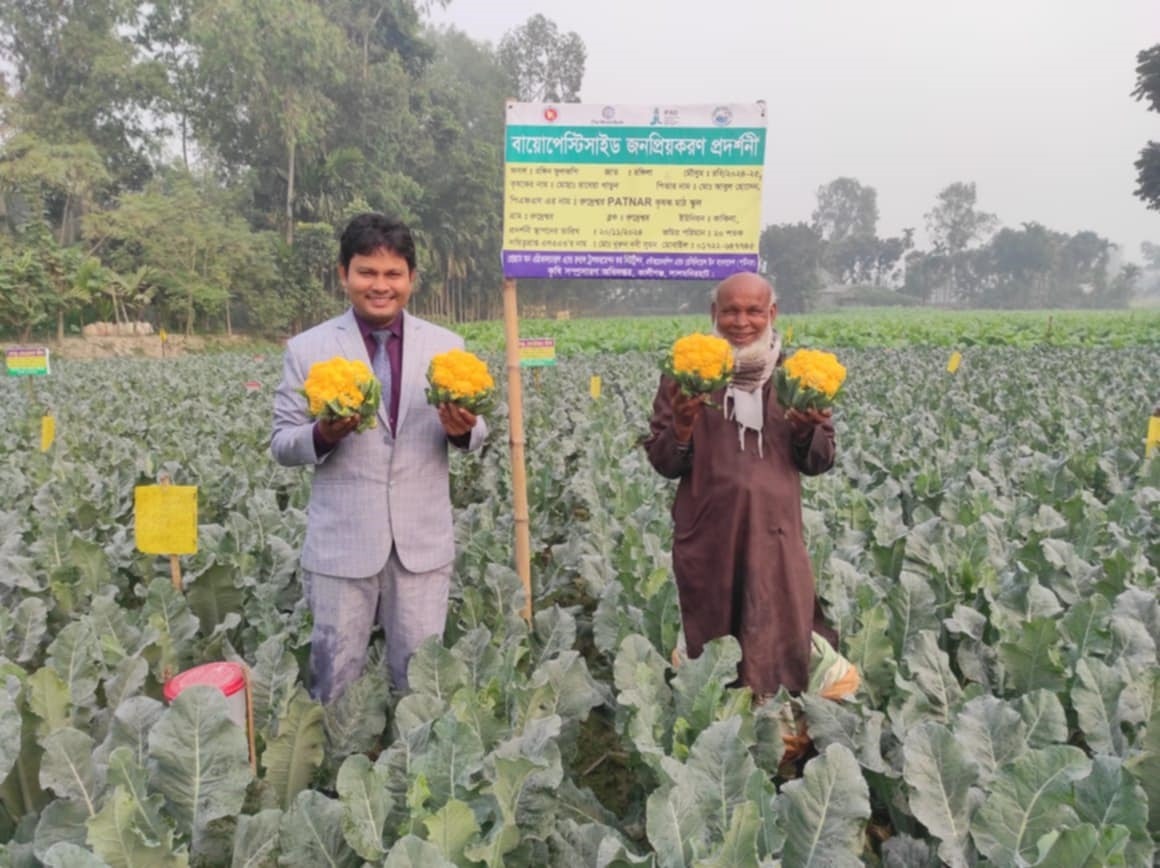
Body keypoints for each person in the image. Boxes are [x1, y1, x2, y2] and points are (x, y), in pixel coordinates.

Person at [271, 213, 487, 703]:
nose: (380, 285)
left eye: (393, 274)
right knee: (334, 683)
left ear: (412, 278)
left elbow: (478, 431)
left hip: (421, 545)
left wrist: (464, 430)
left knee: (422, 685)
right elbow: (282, 442)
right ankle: (337, 753)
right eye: (367, 272)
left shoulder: (446, 346)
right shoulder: (307, 349)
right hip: (342, 545)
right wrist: (322, 435)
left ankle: (412, 753)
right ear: (343, 274)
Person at [644, 272, 837, 698]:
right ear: (714, 313)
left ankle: (778, 720)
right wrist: (682, 425)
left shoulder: (795, 376)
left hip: (776, 531)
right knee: (713, 637)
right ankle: (718, 718)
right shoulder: (684, 376)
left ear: (772, 313)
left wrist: (807, 430)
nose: (742, 321)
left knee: (779, 627)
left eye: (753, 311)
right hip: (709, 531)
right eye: (730, 311)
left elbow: (820, 461)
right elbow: (664, 462)